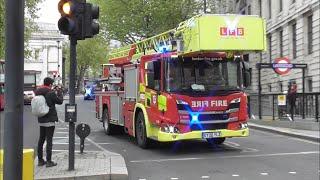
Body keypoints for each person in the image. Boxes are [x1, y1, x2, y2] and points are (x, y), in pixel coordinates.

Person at [34, 77, 63, 167]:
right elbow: (60, 101)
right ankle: (49, 161)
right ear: (50, 84)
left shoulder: (38, 92)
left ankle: (40, 160)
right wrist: (59, 92)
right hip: (49, 119)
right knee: (49, 140)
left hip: (41, 118)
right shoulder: (50, 93)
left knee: (41, 139)